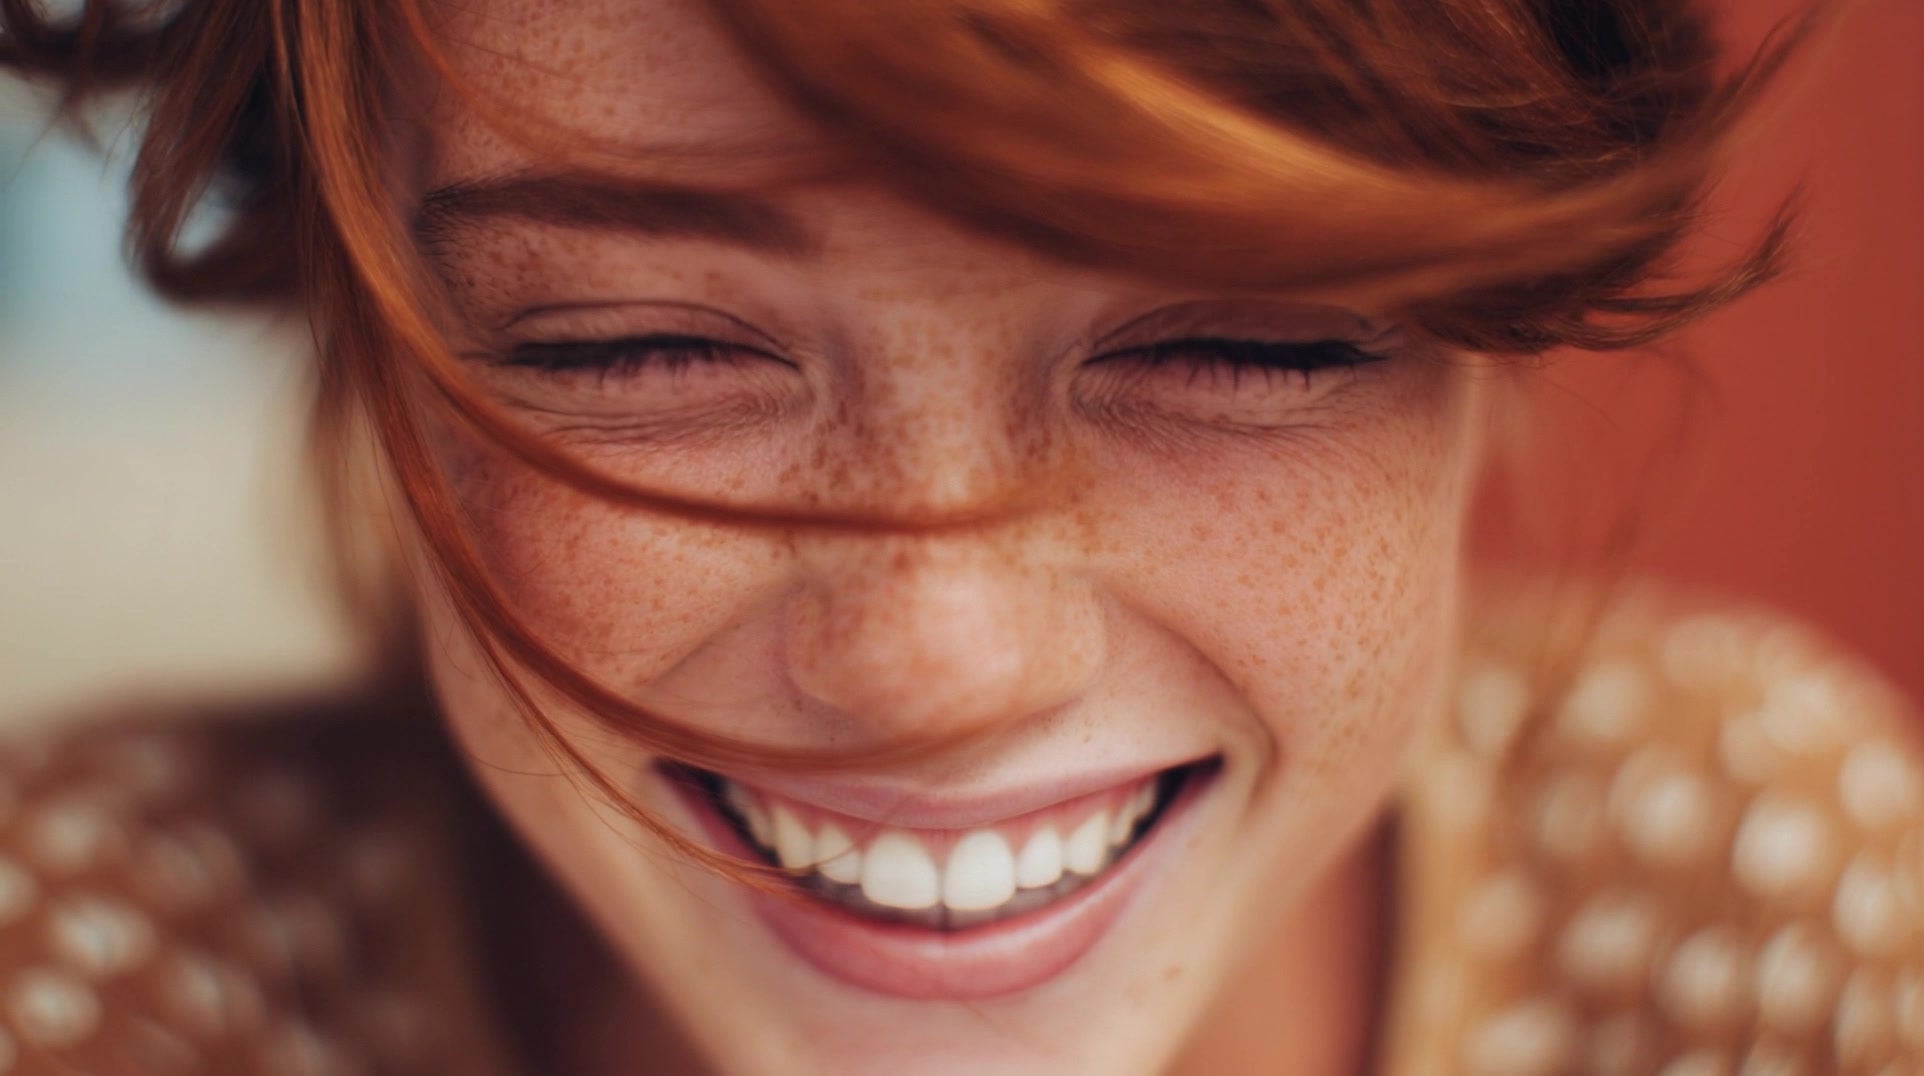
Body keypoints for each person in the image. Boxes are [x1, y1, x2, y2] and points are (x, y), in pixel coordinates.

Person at [0, 0, 1918, 1073]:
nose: (939, 659)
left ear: (1491, 350)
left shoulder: (1745, 932)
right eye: (641, 348)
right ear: (363, 350)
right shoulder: (84, 986)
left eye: (1237, 341)